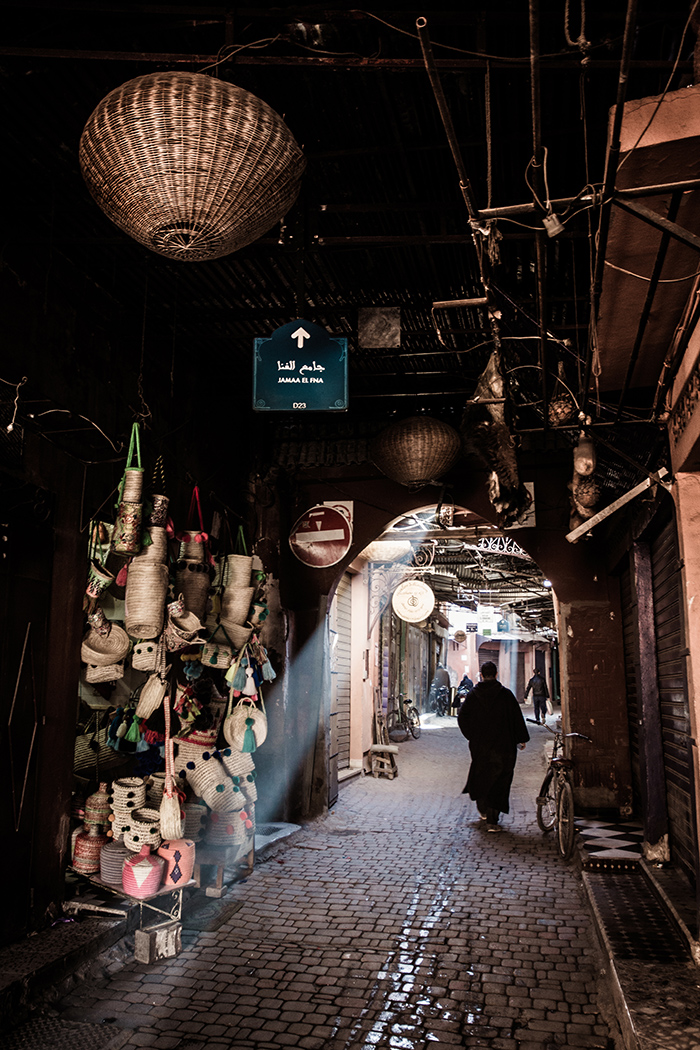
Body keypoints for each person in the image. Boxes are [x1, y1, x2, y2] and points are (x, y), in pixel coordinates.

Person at [457, 661, 529, 832]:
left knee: (482, 775)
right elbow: (517, 718)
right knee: (500, 781)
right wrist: (521, 738)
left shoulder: (473, 695)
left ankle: (483, 808)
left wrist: (472, 736)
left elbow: (462, 717)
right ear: (496, 674)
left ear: (481, 675)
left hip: (481, 746)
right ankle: (492, 820)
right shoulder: (506, 695)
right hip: (503, 747)